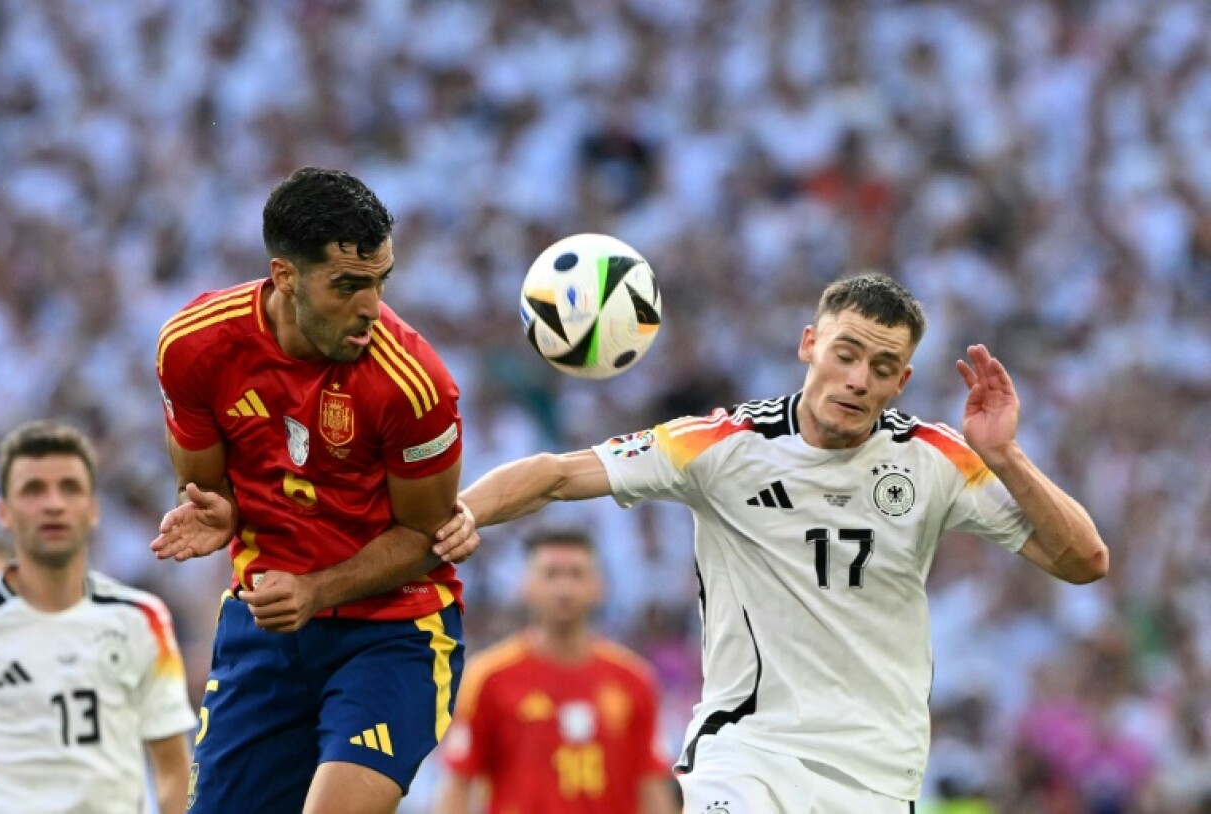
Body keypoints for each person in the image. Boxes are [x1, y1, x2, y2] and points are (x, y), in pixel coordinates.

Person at [444, 273, 1109, 812]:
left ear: (901, 381)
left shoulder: (934, 458)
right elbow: (556, 475)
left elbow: (1084, 561)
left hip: (877, 772)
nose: (858, 379)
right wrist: (453, 520)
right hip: (747, 754)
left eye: (883, 367)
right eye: (846, 354)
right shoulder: (724, 446)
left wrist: (1007, 457)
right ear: (809, 344)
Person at [150, 166, 479, 814]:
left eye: (381, 282)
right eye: (348, 286)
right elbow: (205, 485)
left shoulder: (415, 384)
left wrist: (315, 591)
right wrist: (221, 512)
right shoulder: (194, 346)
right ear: (284, 276)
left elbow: (427, 536)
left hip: (395, 634)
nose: (371, 309)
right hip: (265, 626)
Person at [0, 420, 196, 814]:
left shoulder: (142, 620)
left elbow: (172, 771)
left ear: (94, 508)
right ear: (4, 512)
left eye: (70, 488)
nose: (53, 504)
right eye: (33, 490)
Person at [434, 528, 678, 814]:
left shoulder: (634, 680)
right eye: (551, 574)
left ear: (599, 586)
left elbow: (653, 783)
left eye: (576, 574)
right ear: (526, 586)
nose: (564, 589)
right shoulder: (489, 678)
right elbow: (459, 782)